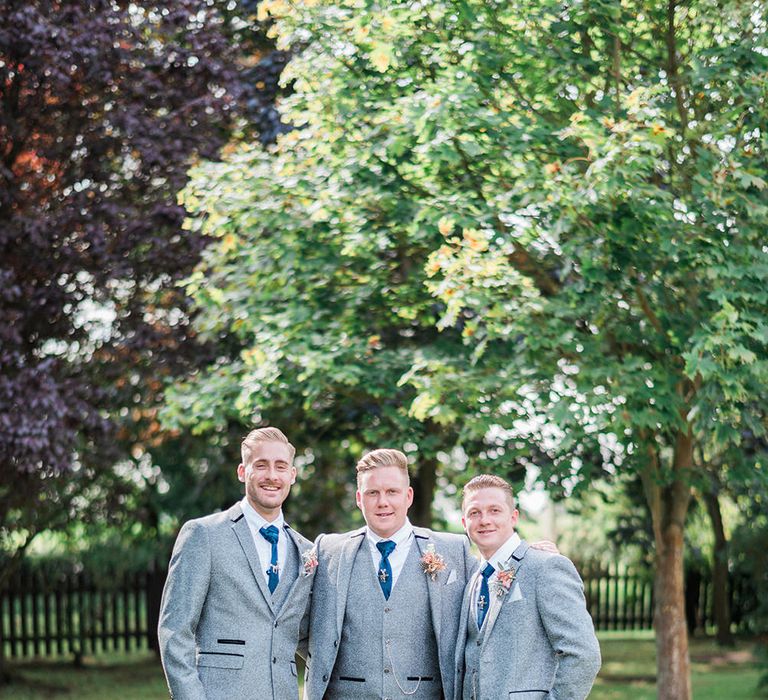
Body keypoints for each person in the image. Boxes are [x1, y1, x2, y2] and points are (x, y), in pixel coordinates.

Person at [304, 448, 477, 700]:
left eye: (391, 492)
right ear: (359, 499)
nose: (382, 502)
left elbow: (489, 601)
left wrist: (533, 557)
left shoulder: (452, 550)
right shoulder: (329, 551)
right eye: (372, 493)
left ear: (408, 496)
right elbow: (297, 622)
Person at [158, 427, 316, 700]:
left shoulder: (306, 550)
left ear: (292, 475)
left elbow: (306, 636)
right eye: (261, 465)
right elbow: (175, 632)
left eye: (281, 466)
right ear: (242, 472)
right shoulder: (203, 535)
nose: (272, 476)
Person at [454, 474, 601, 700]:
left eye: (494, 510)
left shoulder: (545, 566)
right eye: (475, 512)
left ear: (513, 517)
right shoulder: (473, 576)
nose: (484, 520)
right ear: (465, 523)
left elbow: (583, 654)